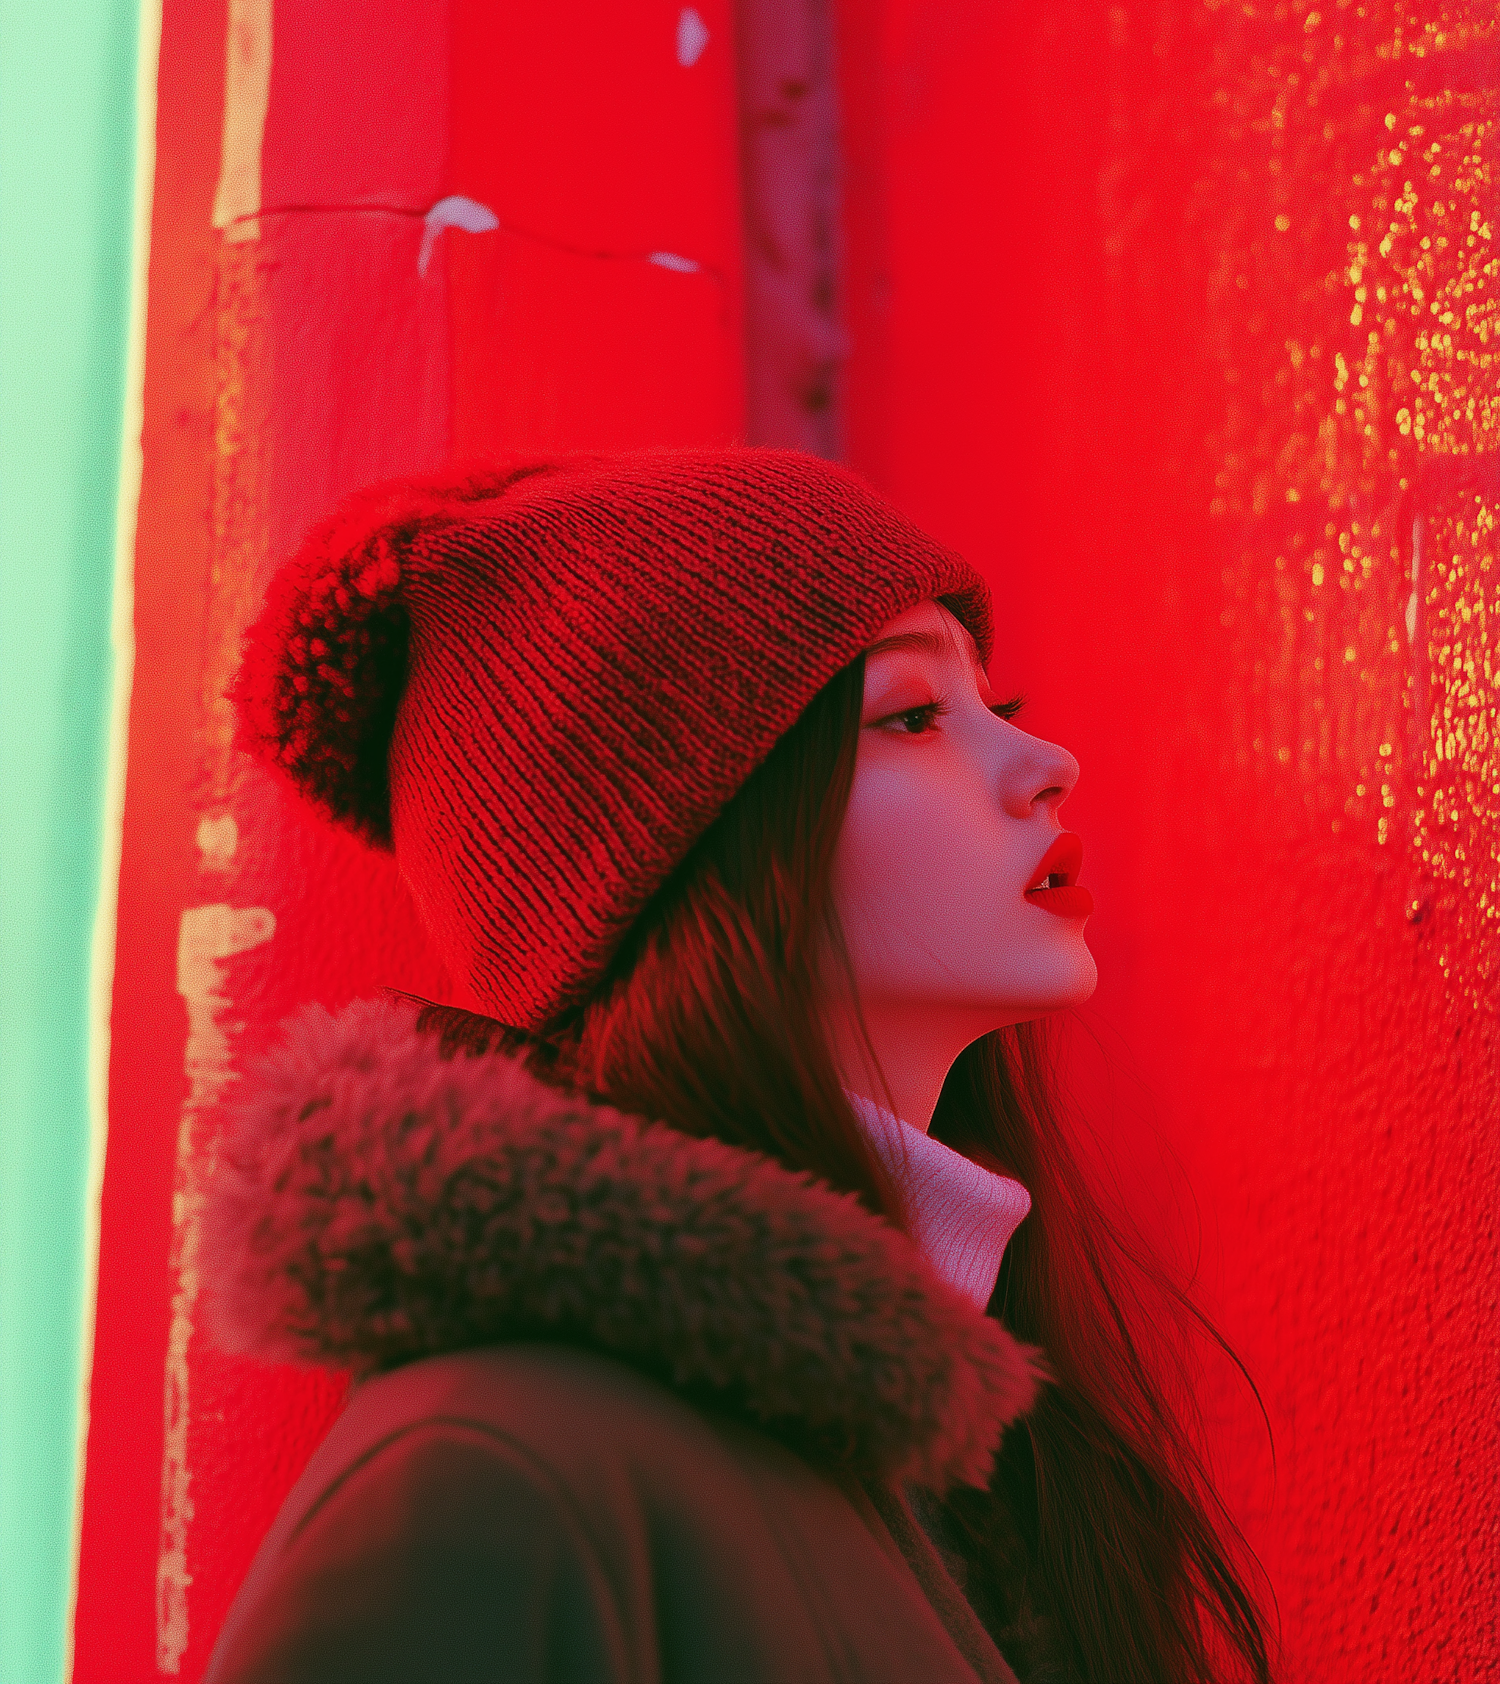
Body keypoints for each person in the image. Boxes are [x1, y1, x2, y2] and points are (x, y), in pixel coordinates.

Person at [202, 447, 1273, 1684]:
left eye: (1001, 706)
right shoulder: (489, 1476)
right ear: (684, 857)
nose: (1046, 767)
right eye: (913, 715)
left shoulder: (952, 1458)